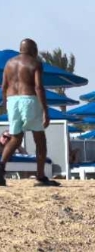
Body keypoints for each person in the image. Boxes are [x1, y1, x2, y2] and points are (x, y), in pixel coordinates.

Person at [1, 39, 55, 187]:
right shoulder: (34, 62)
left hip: (12, 100)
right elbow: (38, 87)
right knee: (40, 140)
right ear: (32, 49)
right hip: (29, 99)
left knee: (15, 138)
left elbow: (4, 86)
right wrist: (45, 110)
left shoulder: (8, 63)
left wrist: (6, 104)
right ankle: (40, 176)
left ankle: (1, 167)